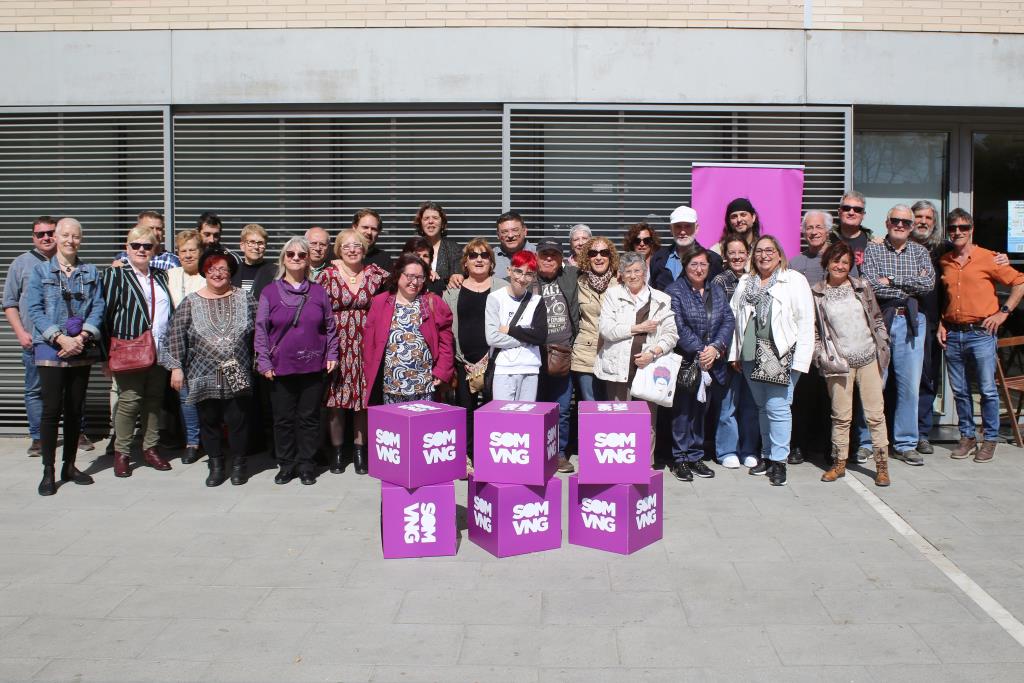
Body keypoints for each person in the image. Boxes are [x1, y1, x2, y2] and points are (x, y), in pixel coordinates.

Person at [161, 247, 257, 487]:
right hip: (202, 370)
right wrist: (176, 367)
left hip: (237, 368)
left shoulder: (244, 298)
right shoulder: (191, 301)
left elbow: (262, 330)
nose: (217, 273)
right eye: (212, 269)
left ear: (231, 272)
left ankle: (238, 465)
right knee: (209, 420)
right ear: (205, 271)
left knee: (238, 420)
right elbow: (174, 335)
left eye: (223, 269)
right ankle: (215, 464)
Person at [25, 218, 104, 496]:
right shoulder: (39, 271)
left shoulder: (90, 271)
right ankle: (48, 470)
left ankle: (68, 466)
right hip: (50, 346)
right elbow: (34, 309)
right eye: (66, 235)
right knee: (50, 410)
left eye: (76, 236)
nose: (71, 240)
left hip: (80, 347)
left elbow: (98, 307)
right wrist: (60, 337)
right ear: (56, 238)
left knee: (74, 409)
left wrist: (82, 337)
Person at [938, 209, 1024, 463]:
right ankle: (967, 436)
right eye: (953, 228)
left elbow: (1019, 283)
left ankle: (990, 439)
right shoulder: (945, 260)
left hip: (982, 334)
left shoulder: (989, 258)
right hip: (953, 333)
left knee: (986, 389)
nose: (958, 232)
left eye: (963, 228)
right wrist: (942, 322)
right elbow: (947, 298)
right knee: (960, 390)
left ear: (971, 229)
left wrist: (1003, 313)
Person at [728, 235, 814, 486]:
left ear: (779, 254)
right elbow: (736, 319)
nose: (764, 255)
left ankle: (779, 461)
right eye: (759, 251)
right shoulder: (746, 281)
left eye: (769, 250)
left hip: (780, 354)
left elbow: (806, 321)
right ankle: (766, 455)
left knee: (778, 407)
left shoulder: (794, 280)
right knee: (762, 407)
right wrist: (735, 354)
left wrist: (800, 361)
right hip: (750, 353)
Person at [255, 237, 339, 485]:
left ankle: (306, 465)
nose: (295, 258)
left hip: (313, 366)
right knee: (282, 419)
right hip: (281, 366)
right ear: (283, 258)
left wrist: (332, 353)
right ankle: (286, 464)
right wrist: (264, 361)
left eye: (301, 255)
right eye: (290, 254)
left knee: (309, 418)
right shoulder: (269, 292)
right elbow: (261, 329)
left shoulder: (318, 291)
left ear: (307, 261)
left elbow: (330, 327)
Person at [812, 241, 891, 487]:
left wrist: (884, 344)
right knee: (841, 416)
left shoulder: (861, 287)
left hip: (868, 357)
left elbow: (876, 318)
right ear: (827, 262)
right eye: (836, 261)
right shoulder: (817, 293)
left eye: (845, 262)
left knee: (875, 415)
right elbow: (814, 330)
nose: (840, 266)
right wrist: (820, 354)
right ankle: (839, 464)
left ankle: (882, 466)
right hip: (839, 363)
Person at [863, 205, 935, 466]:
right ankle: (867, 442)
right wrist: (907, 282)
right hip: (881, 320)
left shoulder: (920, 252)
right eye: (895, 220)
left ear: (912, 226)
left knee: (909, 387)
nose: (900, 225)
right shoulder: (874, 249)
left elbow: (928, 285)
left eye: (906, 221)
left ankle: (905, 443)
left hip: (912, 321)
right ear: (886, 222)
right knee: (874, 384)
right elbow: (871, 285)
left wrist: (891, 280)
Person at [102, 224, 175, 478]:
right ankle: (122, 453)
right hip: (129, 349)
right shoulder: (115, 275)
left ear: (155, 249)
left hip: (159, 349)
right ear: (127, 248)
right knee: (129, 401)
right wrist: (104, 356)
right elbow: (106, 316)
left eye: (147, 246)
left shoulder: (160, 276)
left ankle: (150, 448)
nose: (141, 250)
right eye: (136, 245)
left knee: (154, 401)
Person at [595, 251, 678, 465]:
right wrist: (638, 328)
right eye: (628, 272)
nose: (633, 276)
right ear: (621, 275)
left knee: (647, 421)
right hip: (617, 368)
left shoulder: (661, 299)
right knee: (619, 421)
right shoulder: (612, 295)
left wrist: (653, 353)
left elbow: (671, 335)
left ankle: (644, 466)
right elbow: (606, 330)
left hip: (648, 370)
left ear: (645, 272)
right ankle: (620, 465)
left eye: (637, 271)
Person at [318, 229, 389, 474]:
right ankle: (338, 452)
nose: (352, 250)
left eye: (357, 245)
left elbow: (403, 279)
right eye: (346, 246)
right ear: (338, 249)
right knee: (336, 400)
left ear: (364, 249)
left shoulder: (375, 274)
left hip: (365, 343)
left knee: (362, 400)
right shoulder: (327, 275)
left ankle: (360, 451)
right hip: (336, 343)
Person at [666, 247, 734, 481]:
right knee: (682, 412)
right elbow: (677, 324)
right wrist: (700, 349)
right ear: (685, 266)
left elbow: (728, 319)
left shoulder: (716, 289)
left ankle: (696, 456)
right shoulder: (675, 290)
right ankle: (680, 458)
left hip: (711, 361)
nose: (698, 269)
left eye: (703, 264)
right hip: (687, 361)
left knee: (701, 411)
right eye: (693, 264)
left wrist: (716, 348)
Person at [443, 239, 507, 474]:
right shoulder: (453, 290)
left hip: (495, 361)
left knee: (492, 410)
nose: (478, 259)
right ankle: (467, 456)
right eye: (472, 255)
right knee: (465, 411)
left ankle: (490, 455)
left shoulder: (503, 287)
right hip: (463, 360)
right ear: (465, 262)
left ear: (491, 262)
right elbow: (445, 326)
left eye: (484, 255)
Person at [364, 254, 455, 405]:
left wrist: (442, 371)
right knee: (393, 427)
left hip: (424, 385)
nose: (415, 282)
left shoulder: (432, 302)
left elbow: (446, 341)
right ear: (398, 275)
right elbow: (369, 343)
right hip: (390, 385)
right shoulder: (381, 302)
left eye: (420, 277)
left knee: (422, 427)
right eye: (410, 276)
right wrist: (369, 374)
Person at [3, 215, 58, 456]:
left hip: (65, 341)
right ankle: (38, 437)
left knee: (69, 389)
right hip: (34, 340)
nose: (46, 237)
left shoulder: (67, 261)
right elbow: (9, 303)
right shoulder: (21, 263)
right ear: (33, 237)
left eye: (50, 232)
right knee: (35, 389)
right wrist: (20, 333)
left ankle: (78, 433)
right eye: (40, 234)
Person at [787, 210, 833, 464]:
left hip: (832, 340)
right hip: (803, 338)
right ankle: (797, 446)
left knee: (829, 396)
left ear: (828, 230)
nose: (813, 232)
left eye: (818, 227)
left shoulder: (839, 258)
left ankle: (828, 447)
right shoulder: (796, 262)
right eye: (809, 228)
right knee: (801, 395)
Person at [710, 236, 759, 470]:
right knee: (727, 404)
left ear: (748, 254)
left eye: (741, 252)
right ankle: (727, 450)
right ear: (725, 256)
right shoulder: (720, 280)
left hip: (753, 351)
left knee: (750, 403)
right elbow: (720, 318)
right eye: (732, 253)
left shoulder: (757, 279)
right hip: (728, 352)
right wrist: (728, 352)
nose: (737, 257)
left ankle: (749, 449)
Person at [534, 238, 580, 473]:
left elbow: (601, 268)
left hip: (563, 353)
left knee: (561, 409)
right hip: (535, 354)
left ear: (562, 259)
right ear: (537, 258)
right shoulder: (528, 278)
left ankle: (559, 453)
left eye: (553, 255)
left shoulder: (571, 276)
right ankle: (537, 452)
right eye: (544, 255)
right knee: (535, 407)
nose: (549, 258)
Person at [165, 229, 206, 464]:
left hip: (205, 347)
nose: (188, 255)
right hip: (178, 345)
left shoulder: (208, 275)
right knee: (186, 397)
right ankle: (192, 442)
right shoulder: (169, 275)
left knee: (211, 395)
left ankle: (211, 440)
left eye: (193, 250)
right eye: (183, 251)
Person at [485, 250, 547, 401]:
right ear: (509, 270)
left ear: (533, 277)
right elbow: (492, 338)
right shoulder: (495, 298)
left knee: (526, 419)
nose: (522, 278)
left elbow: (540, 336)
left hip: (530, 367)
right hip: (503, 368)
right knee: (503, 418)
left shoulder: (537, 301)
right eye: (518, 271)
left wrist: (510, 330)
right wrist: (526, 338)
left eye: (528, 274)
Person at [572, 236, 619, 401]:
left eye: (604, 253)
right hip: (585, 353)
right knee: (590, 408)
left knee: (613, 407)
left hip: (613, 352)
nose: (598, 257)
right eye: (593, 253)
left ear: (610, 256)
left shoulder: (621, 283)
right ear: (587, 257)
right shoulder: (579, 282)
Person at [650, 205, 723, 292]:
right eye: (678, 226)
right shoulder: (658, 258)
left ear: (696, 228)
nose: (683, 232)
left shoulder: (712, 260)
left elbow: (717, 296)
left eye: (688, 226)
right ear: (671, 229)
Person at [413, 201, 462, 293]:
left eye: (435, 218)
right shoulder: (413, 248)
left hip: (446, 300)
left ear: (442, 223)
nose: (430, 221)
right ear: (421, 223)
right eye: (426, 218)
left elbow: (458, 275)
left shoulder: (453, 248)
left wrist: (454, 278)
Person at [111, 210, 180, 271]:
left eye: (159, 229)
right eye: (150, 228)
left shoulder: (172, 262)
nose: (155, 233)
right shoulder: (122, 258)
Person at [829, 191, 873, 277]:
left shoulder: (873, 243)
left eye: (857, 210)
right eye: (846, 208)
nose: (851, 212)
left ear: (863, 215)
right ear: (839, 212)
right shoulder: (827, 239)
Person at [232, 223, 276, 299]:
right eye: (251, 242)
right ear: (242, 246)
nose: (256, 247)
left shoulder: (274, 272)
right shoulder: (233, 271)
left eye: (260, 243)